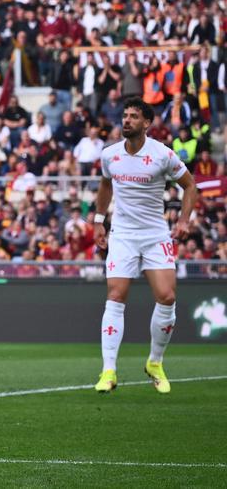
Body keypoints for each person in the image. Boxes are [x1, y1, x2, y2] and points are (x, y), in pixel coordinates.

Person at [93, 97, 198, 394]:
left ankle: (155, 362)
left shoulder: (162, 155)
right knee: (116, 294)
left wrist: (184, 220)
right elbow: (105, 185)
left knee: (166, 296)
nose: (126, 120)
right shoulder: (110, 155)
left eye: (134, 116)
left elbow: (190, 185)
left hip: (155, 234)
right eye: (124, 115)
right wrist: (99, 221)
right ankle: (108, 370)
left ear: (147, 123)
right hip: (123, 235)